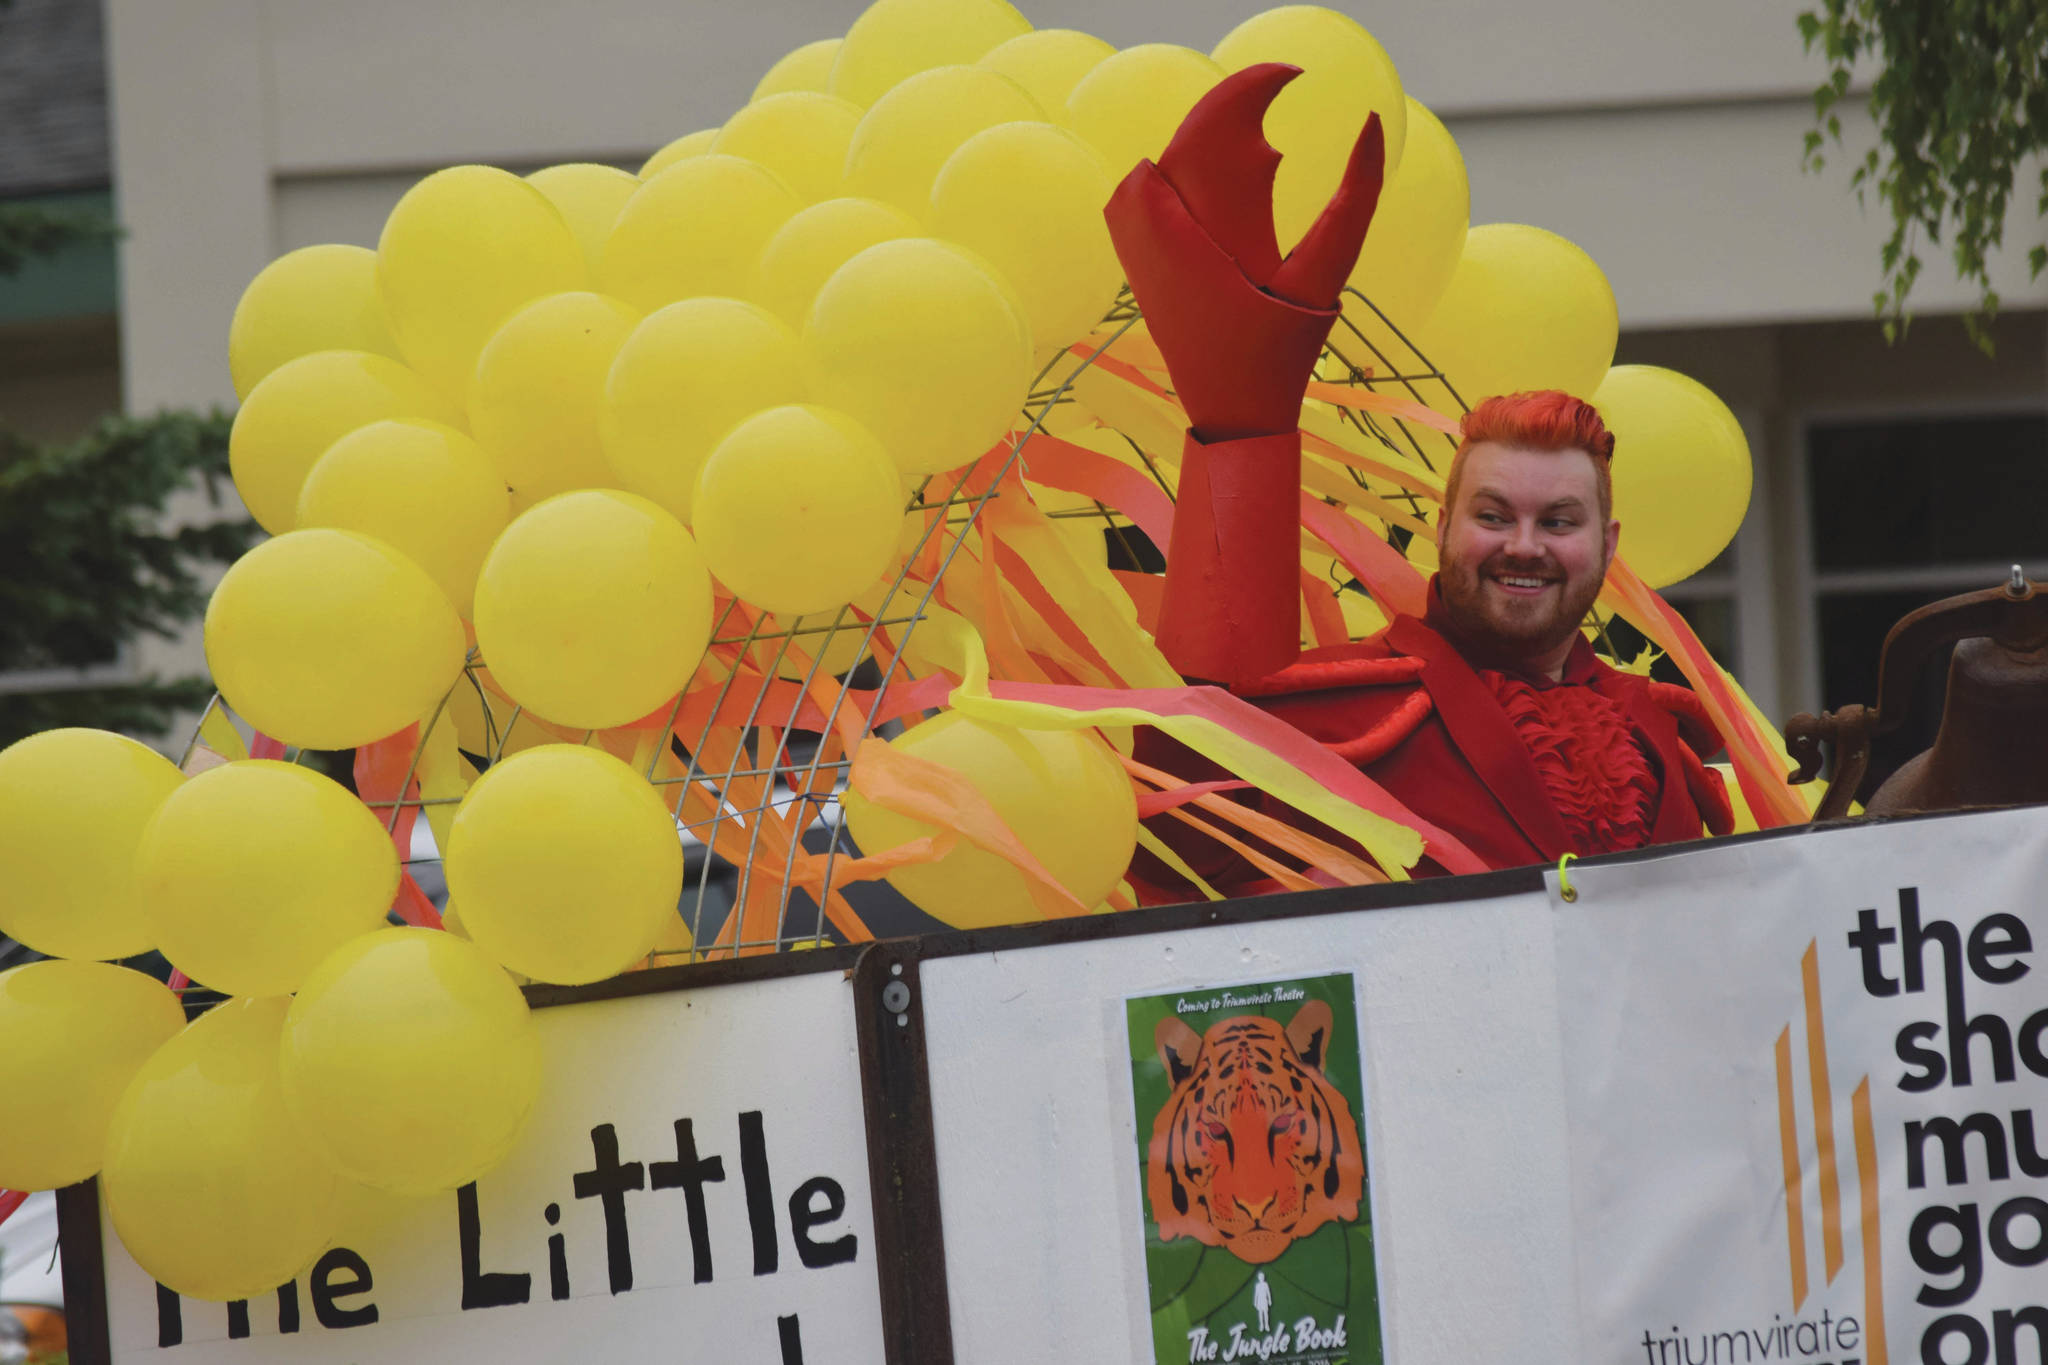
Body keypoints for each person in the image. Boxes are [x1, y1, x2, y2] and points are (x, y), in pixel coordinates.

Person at [1106, 64, 1732, 893]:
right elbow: (1184, 834)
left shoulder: (1666, 728)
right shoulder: (1354, 714)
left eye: (1558, 522)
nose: (1523, 545)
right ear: (1441, 528)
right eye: (1494, 513)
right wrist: (1242, 425)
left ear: (1606, 545)